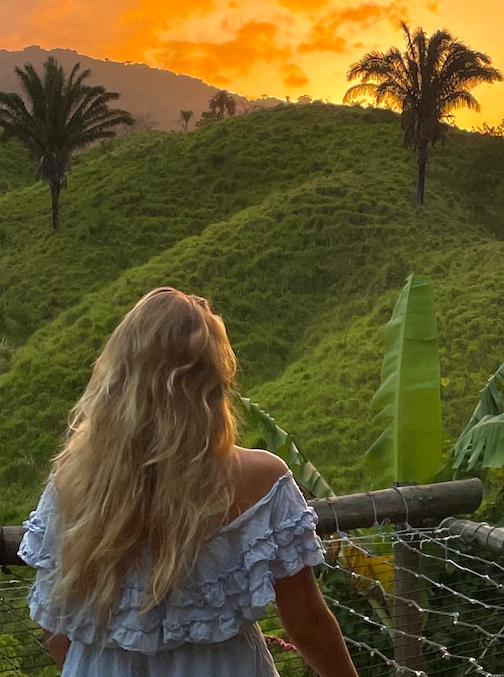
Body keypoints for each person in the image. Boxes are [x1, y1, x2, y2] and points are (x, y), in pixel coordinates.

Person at [18, 287, 362, 676]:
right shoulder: (260, 483)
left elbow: (52, 619)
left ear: (120, 376)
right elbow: (307, 622)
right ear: (213, 382)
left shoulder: (75, 483)